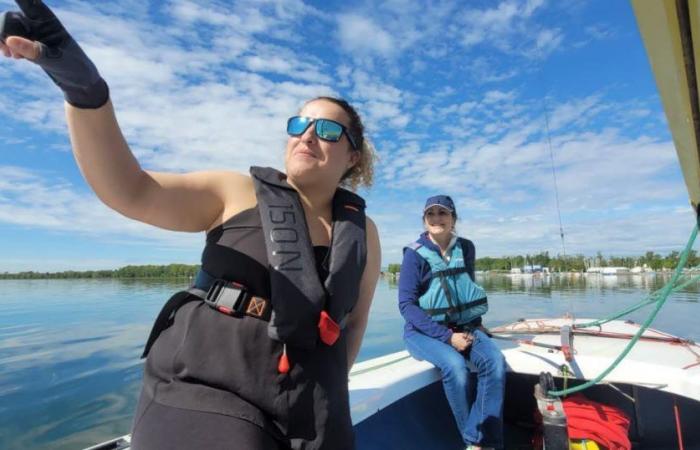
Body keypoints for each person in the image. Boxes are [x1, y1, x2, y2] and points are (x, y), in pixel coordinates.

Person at [0, 2, 381, 449]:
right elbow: (130, 190)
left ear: (353, 156)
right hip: (206, 386)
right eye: (300, 123)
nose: (307, 135)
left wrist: (327, 394)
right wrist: (84, 90)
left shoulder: (364, 233)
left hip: (311, 405)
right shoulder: (233, 191)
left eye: (328, 130)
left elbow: (352, 326)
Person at [398, 195, 504, 450]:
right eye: (431, 214)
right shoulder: (415, 255)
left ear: (453, 219)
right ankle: (474, 442)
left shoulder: (466, 248)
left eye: (442, 213)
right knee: (456, 368)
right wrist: (447, 338)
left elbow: (466, 289)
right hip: (422, 333)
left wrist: (476, 322)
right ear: (424, 221)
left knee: (495, 363)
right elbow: (406, 306)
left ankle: (483, 442)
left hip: (465, 327)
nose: (437, 218)